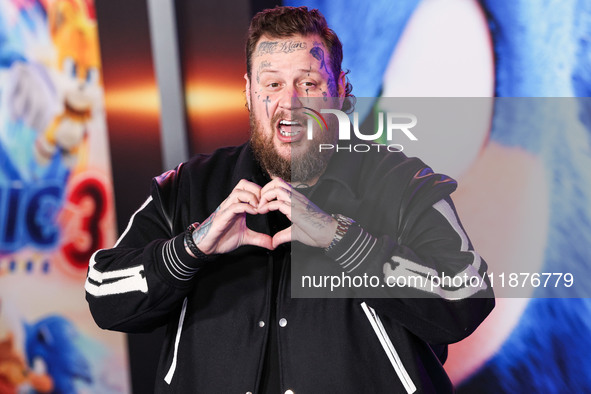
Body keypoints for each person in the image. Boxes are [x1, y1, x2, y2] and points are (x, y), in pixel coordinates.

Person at [85, 6, 494, 393]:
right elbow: (103, 295)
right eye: (273, 84)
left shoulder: (403, 183)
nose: (290, 103)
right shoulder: (187, 187)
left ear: (341, 91)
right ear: (248, 93)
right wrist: (192, 248)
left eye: (309, 83)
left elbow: (467, 296)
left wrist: (344, 240)